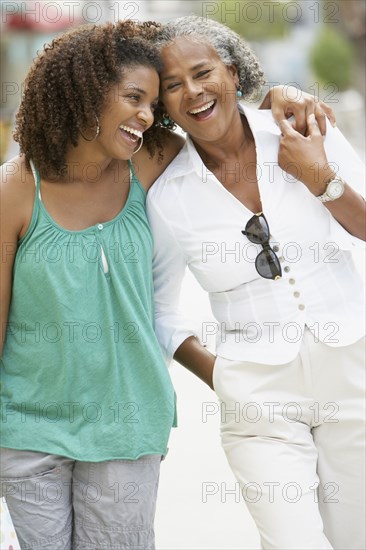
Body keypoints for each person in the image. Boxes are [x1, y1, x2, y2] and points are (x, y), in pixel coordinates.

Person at [0, 16, 338, 550]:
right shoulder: (17, 189)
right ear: (89, 91)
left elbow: (219, 123)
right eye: (135, 98)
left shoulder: (151, 160)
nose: (146, 116)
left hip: (127, 425)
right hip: (29, 428)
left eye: (151, 105)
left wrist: (277, 94)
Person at [146, 16, 366, 550]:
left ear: (234, 72)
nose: (192, 92)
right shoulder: (166, 193)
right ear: (162, 105)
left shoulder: (304, 130)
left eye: (202, 73)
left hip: (355, 376)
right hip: (258, 402)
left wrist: (321, 178)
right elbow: (158, 308)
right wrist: (226, 378)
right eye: (173, 85)